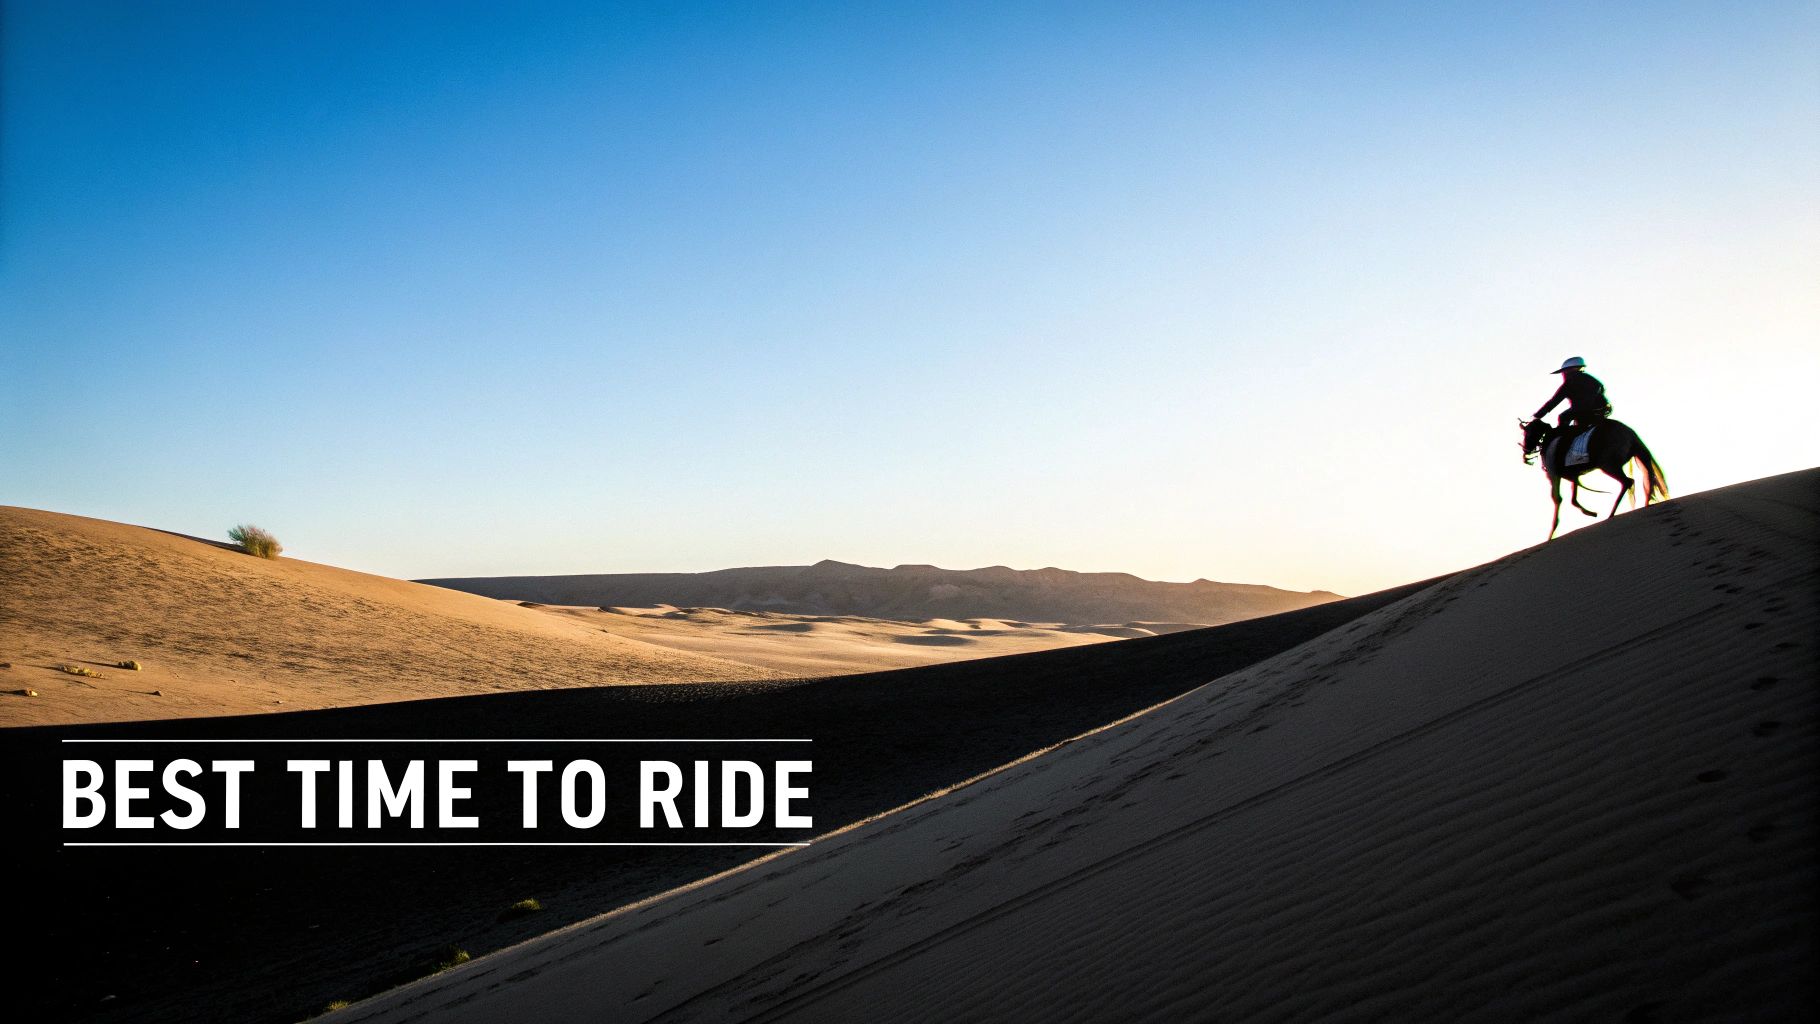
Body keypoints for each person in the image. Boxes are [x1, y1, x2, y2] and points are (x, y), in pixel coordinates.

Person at [1534, 356, 1610, 431]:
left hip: (1583, 411)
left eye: (1564, 371)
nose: (1563, 374)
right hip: (1602, 410)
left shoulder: (1569, 383)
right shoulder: (1594, 380)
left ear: (1569, 370)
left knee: (1563, 417)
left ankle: (1563, 439)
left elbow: (1554, 401)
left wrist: (1538, 415)